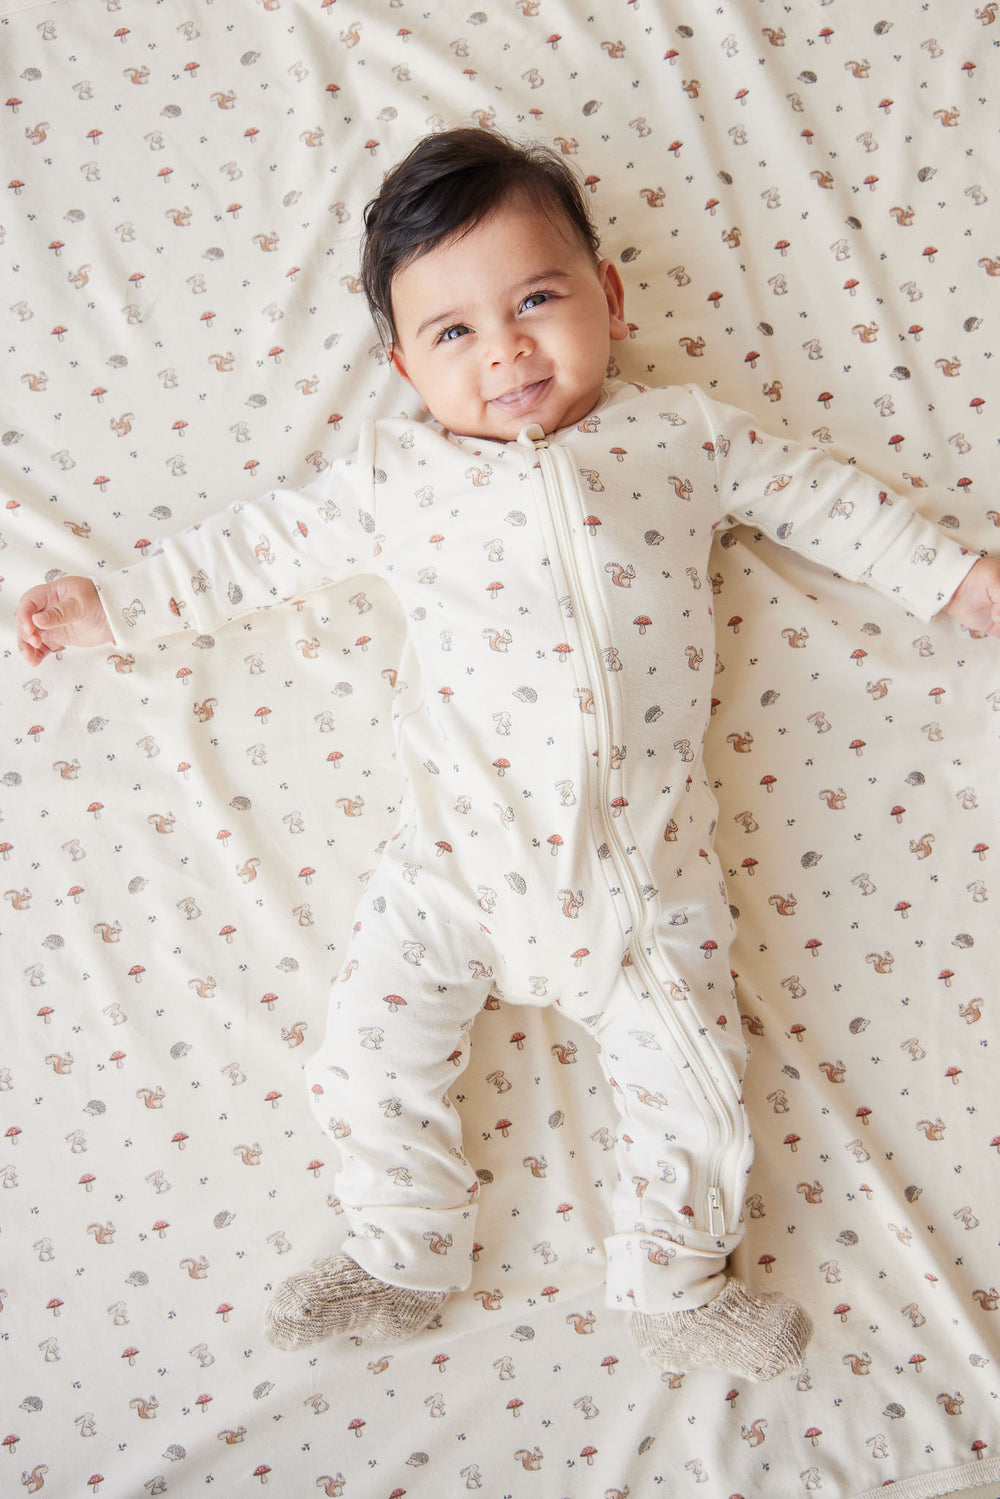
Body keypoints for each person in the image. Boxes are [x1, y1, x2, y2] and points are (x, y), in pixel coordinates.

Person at [16, 129, 1000, 1382]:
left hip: (641, 875)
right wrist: (119, 605)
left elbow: (823, 498)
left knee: (694, 1076)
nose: (508, 351)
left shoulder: (682, 437)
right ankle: (398, 1245)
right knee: (367, 1047)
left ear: (611, 298)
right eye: (455, 334)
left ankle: (672, 1273)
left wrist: (953, 577)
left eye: (537, 299)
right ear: (402, 367)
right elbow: (255, 549)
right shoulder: (396, 477)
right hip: (453, 862)